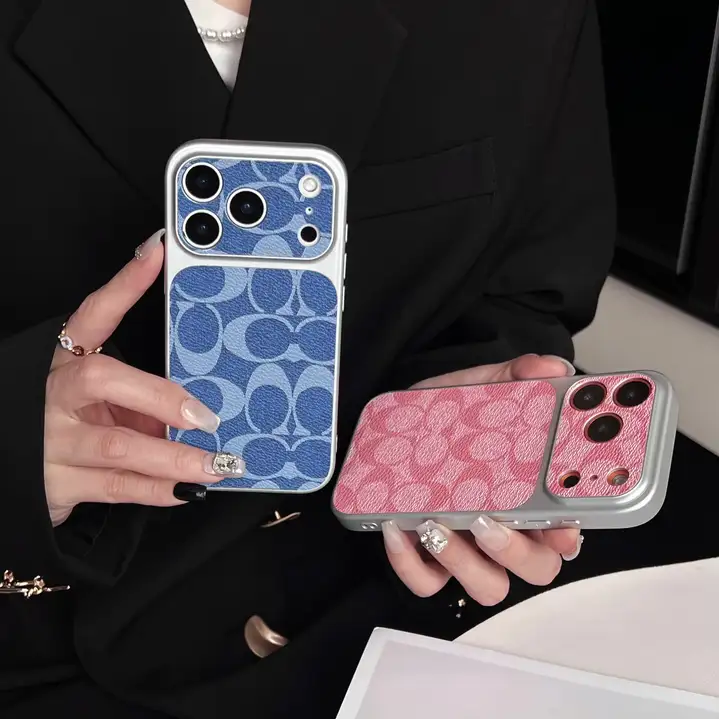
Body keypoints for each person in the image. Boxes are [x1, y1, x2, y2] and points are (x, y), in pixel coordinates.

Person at [0, 0, 616, 716]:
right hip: (42, 637)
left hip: (376, 624)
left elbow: (522, 291)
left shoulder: (529, 18)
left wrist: (457, 434)